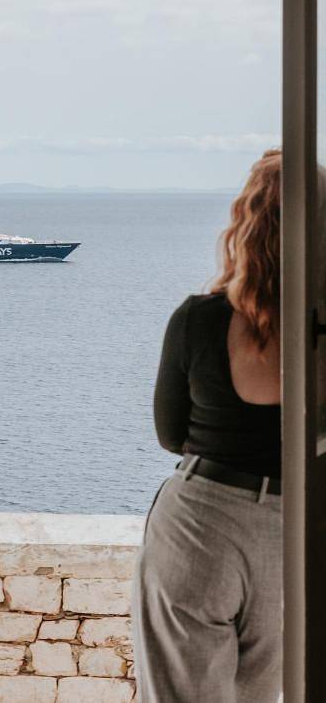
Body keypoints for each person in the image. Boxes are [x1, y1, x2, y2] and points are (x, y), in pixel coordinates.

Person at [132, 149, 282, 703]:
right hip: (295, 530)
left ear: (243, 222)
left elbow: (170, 434)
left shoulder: (199, 318)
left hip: (203, 520)